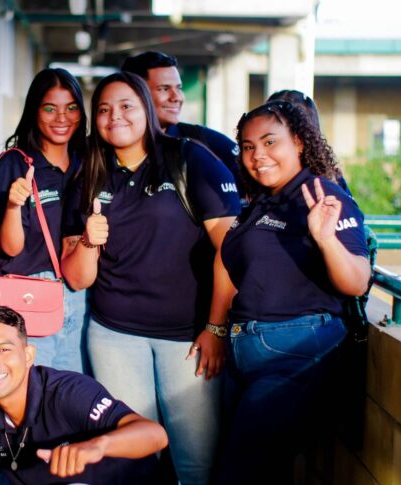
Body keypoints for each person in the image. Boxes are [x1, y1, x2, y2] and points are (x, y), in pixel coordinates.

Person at [61, 72, 241, 484]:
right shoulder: (88, 172)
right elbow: (77, 278)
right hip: (114, 336)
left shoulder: (187, 159)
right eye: (104, 110)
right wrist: (89, 242)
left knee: (196, 463)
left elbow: (230, 249)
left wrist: (216, 328)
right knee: (133, 464)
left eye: (126, 105)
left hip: (189, 339)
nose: (115, 117)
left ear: (146, 108)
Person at [215, 101, 371, 484]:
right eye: (249, 147)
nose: (258, 155)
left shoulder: (320, 194)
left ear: (299, 142)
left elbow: (356, 281)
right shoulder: (262, 201)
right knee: (263, 471)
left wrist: (324, 239)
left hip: (296, 352)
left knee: (239, 471)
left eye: (270, 142)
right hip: (245, 353)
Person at [0, 306, 168, 484]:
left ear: (28, 355)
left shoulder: (68, 392)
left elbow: (155, 435)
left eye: (4, 349)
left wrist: (97, 446)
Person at [0, 68, 88, 372]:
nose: (62, 117)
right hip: (30, 296)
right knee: (33, 400)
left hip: (81, 298)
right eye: (50, 108)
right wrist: (12, 205)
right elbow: (10, 248)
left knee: (72, 402)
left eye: (71, 107)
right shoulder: (16, 163)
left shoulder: (88, 162)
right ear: (34, 110)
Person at [121, 50, 244, 198]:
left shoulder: (204, 142)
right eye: (164, 89)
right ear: (134, 94)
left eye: (178, 88)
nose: (176, 97)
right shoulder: (101, 149)